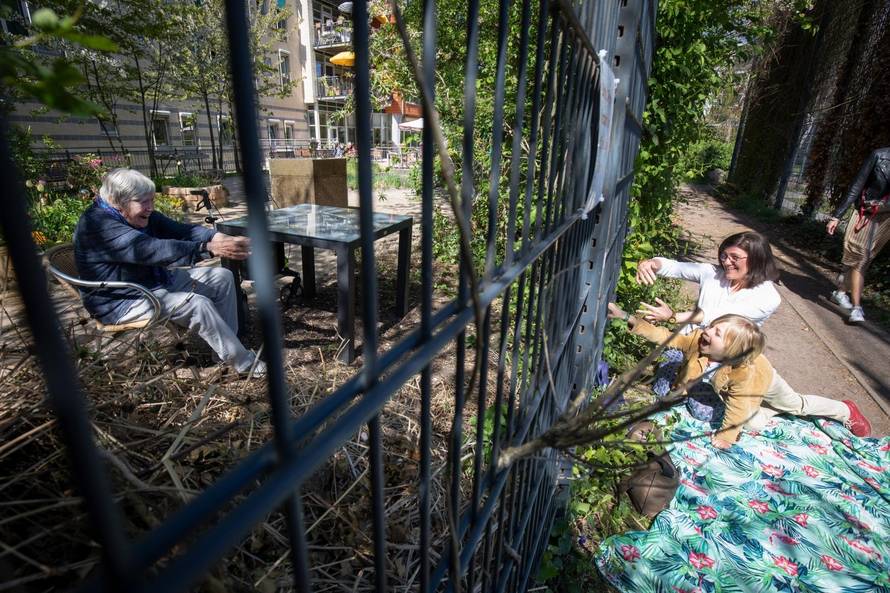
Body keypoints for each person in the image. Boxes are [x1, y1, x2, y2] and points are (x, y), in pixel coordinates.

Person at [73, 168, 265, 377]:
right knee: (197, 304)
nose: (150, 208)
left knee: (222, 277)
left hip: (150, 280)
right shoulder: (98, 226)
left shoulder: (137, 214)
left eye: (151, 200)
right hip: (122, 298)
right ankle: (243, 363)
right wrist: (207, 248)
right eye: (143, 202)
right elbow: (152, 250)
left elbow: (182, 230)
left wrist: (217, 238)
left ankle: (224, 353)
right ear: (118, 202)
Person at [606, 303, 872, 446]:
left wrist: (725, 437)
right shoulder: (699, 341)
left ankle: (844, 410)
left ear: (731, 349)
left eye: (716, 333)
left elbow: (736, 406)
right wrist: (627, 318)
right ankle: (767, 411)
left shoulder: (746, 373)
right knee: (755, 422)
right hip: (729, 389)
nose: (707, 331)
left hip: (765, 382)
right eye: (712, 327)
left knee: (794, 406)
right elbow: (666, 337)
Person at [635, 231, 782, 331]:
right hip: (686, 344)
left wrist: (673, 317)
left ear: (757, 259)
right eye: (724, 256)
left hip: (724, 361)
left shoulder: (768, 297)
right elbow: (675, 267)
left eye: (735, 258)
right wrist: (650, 264)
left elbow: (721, 316)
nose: (726, 262)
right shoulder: (712, 274)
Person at [826, 147, 890, 324]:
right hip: (866, 213)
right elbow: (857, 185)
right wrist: (836, 216)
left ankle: (840, 292)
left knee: (865, 259)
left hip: (887, 219)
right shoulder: (879, 156)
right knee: (860, 259)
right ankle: (856, 308)